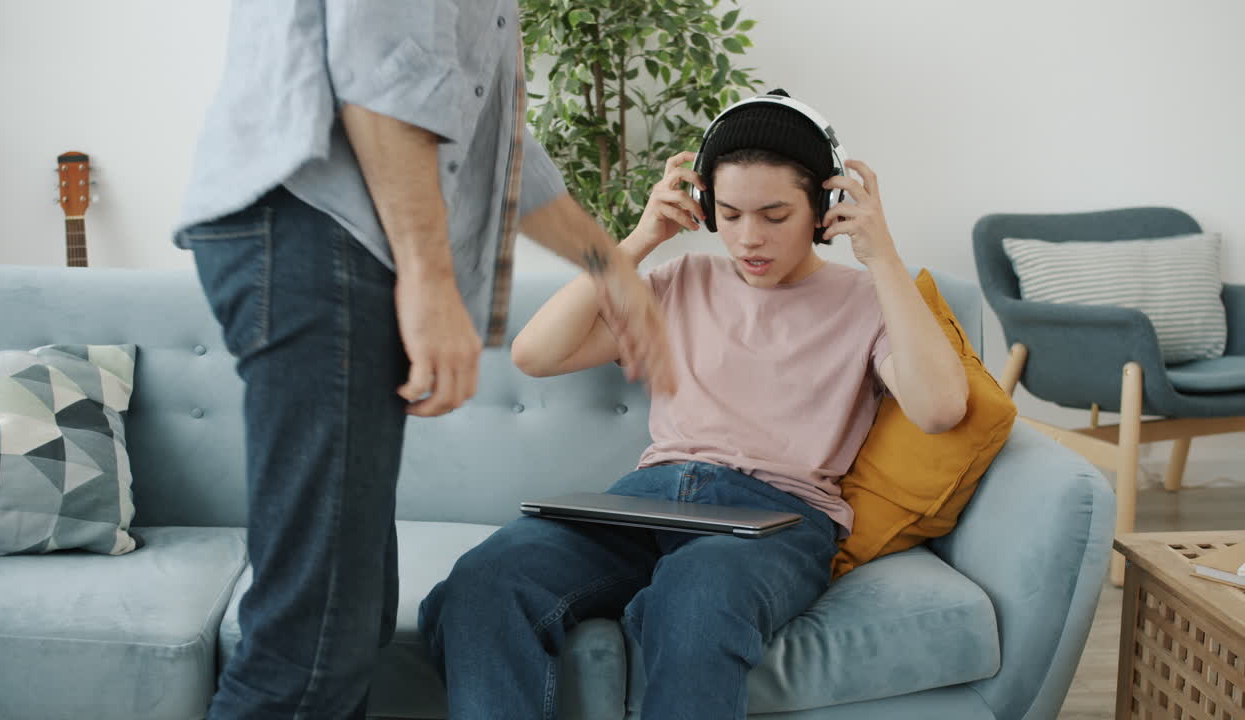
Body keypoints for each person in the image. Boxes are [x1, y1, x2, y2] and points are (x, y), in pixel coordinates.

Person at [172, 3, 675, 719]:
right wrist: (429, 276)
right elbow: (379, 65)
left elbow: (497, 148)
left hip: (331, 238)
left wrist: (609, 266)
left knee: (356, 620)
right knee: (310, 652)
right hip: (322, 229)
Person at [418, 91, 970, 719]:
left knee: (699, 594)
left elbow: (940, 409)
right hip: (644, 499)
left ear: (823, 207)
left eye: (774, 214)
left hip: (776, 517)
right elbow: (534, 355)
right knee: (487, 580)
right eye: (729, 214)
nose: (749, 238)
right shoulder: (681, 283)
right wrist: (640, 237)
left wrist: (884, 256)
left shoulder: (868, 299)